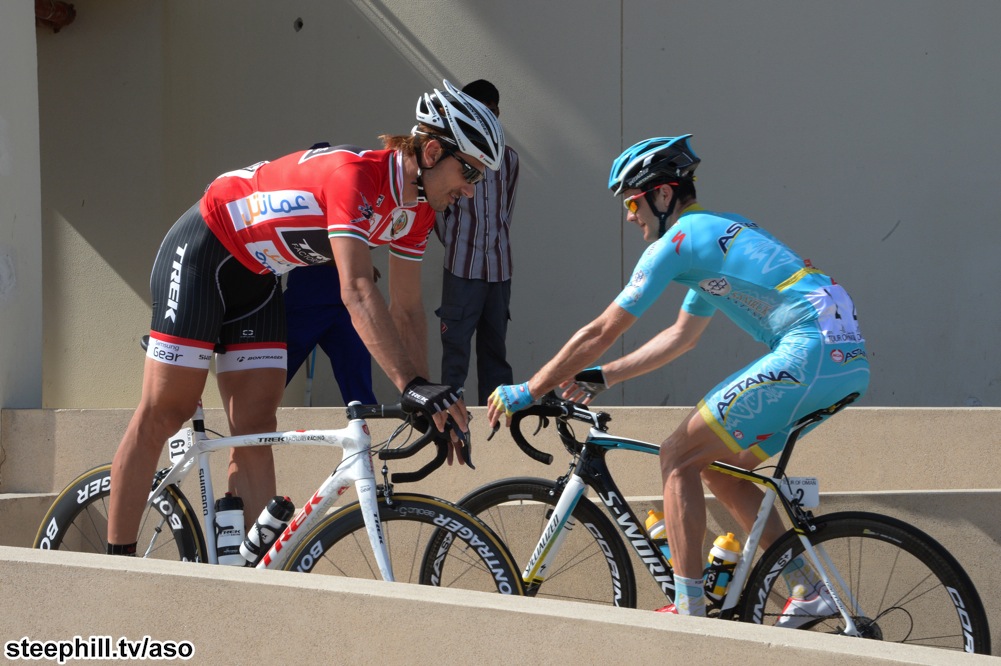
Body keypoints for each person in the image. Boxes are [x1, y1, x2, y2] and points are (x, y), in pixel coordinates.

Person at [106, 80, 505, 556]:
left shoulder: (416, 213)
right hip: (203, 252)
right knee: (165, 411)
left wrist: (426, 397)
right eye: (470, 172)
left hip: (258, 277)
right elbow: (356, 289)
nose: (470, 190)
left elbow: (407, 309)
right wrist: (410, 384)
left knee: (255, 425)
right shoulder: (354, 176)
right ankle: (117, 566)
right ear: (434, 151)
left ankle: (247, 574)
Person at [487, 135, 870, 620]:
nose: (630, 216)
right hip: (845, 360)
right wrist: (604, 375)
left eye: (632, 202)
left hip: (808, 350)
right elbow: (681, 337)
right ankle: (808, 587)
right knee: (717, 467)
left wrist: (529, 389)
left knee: (676, 456)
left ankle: (689, 612)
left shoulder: (679, 241)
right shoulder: (717, 235)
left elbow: (602, 330)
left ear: (664, 194)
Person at [434, 79, 519, 404]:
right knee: (455, 351)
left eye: (492, 111)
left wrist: (493, 243)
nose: (487, 118)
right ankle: (451, 420)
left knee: (495, 352)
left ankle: (495, 423)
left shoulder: (509, 159)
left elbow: (506, 211)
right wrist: (457, 242)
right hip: (461, 268)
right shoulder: (451, 157)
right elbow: (439, 212)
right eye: (479, 112)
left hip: (499, 270)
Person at [283, 262, 377, 405]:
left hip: (348, 303)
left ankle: (366, 417)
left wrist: (358, 264)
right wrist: (354, 262)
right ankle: (250, 414)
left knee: (358, 380)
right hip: (306, 297)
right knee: (274, 371)